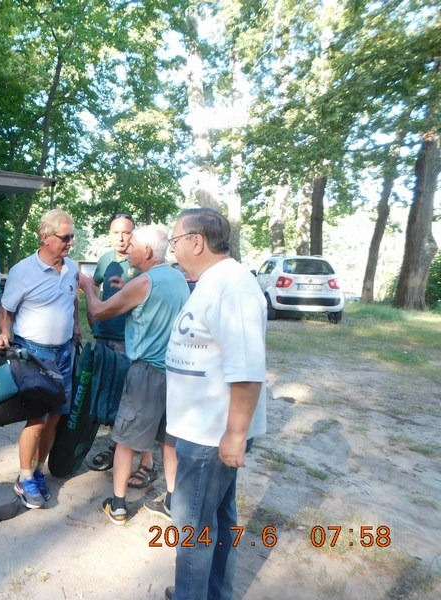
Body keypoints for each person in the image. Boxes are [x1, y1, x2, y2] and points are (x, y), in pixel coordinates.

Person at [164, 208, 267, 600]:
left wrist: (235, 435)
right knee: (216, 521)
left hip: (212, 435)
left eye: (175, 241)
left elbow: (247, 370)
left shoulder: (233, 286)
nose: (172, 250)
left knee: (193, 528)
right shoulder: (213, 282)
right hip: (203, 429)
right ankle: (211, 593)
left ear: (196, 242)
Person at [78, 225, 190, 525]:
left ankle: (118, 506)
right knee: (169, 442)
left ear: (148, 251)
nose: (128, 249)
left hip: (145, 374)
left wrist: (88, 287)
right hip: (176, 374)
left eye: (134, 245)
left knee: (125, 440)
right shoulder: (177, 278)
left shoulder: (143, 283)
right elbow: (152, 303)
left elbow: (99, 312)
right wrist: (125, 285)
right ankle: (172, 501)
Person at [0, 208, 80, 509]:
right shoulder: (23, 271)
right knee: (38, 418)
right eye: (65, 237)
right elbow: (6, 309)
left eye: (72, 237)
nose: (71, 242)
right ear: (45, 237)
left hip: (64, 352)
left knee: (56, 416)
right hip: (35, 354)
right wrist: (4, 333)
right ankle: (24, 477)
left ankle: (39, 470)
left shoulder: (72, 268)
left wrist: (76, 328)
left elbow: (73, 299)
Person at [86, 213, 157, 489]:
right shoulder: (105, 260)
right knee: (110, 397)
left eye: (126, 232)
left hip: (130, 342)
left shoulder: (140, 263)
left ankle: (147, 461)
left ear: (133, 234)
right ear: (110, 234)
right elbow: (94, 284)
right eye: (116, 232)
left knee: (135, 401)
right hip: (104, 336)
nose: (121, 238)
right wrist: (92, 318)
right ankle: (117, 449)